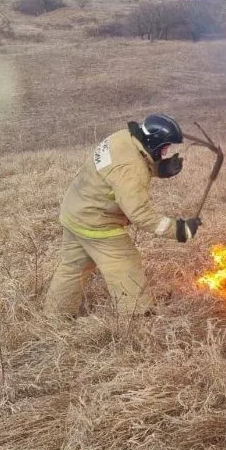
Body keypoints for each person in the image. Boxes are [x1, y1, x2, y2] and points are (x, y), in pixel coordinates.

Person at [43, 114, 202, 318]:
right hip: (96, 221)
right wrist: (180, 230)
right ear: (153, 142)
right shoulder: (131, 171)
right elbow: (141, 215)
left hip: (75, 210)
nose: (166, 152)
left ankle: (55, 315)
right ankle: (137, 317)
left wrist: (158, 169)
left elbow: (121, 167)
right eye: (164, 148)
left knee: (73, 267)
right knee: (125, 263)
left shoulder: (123, 138)